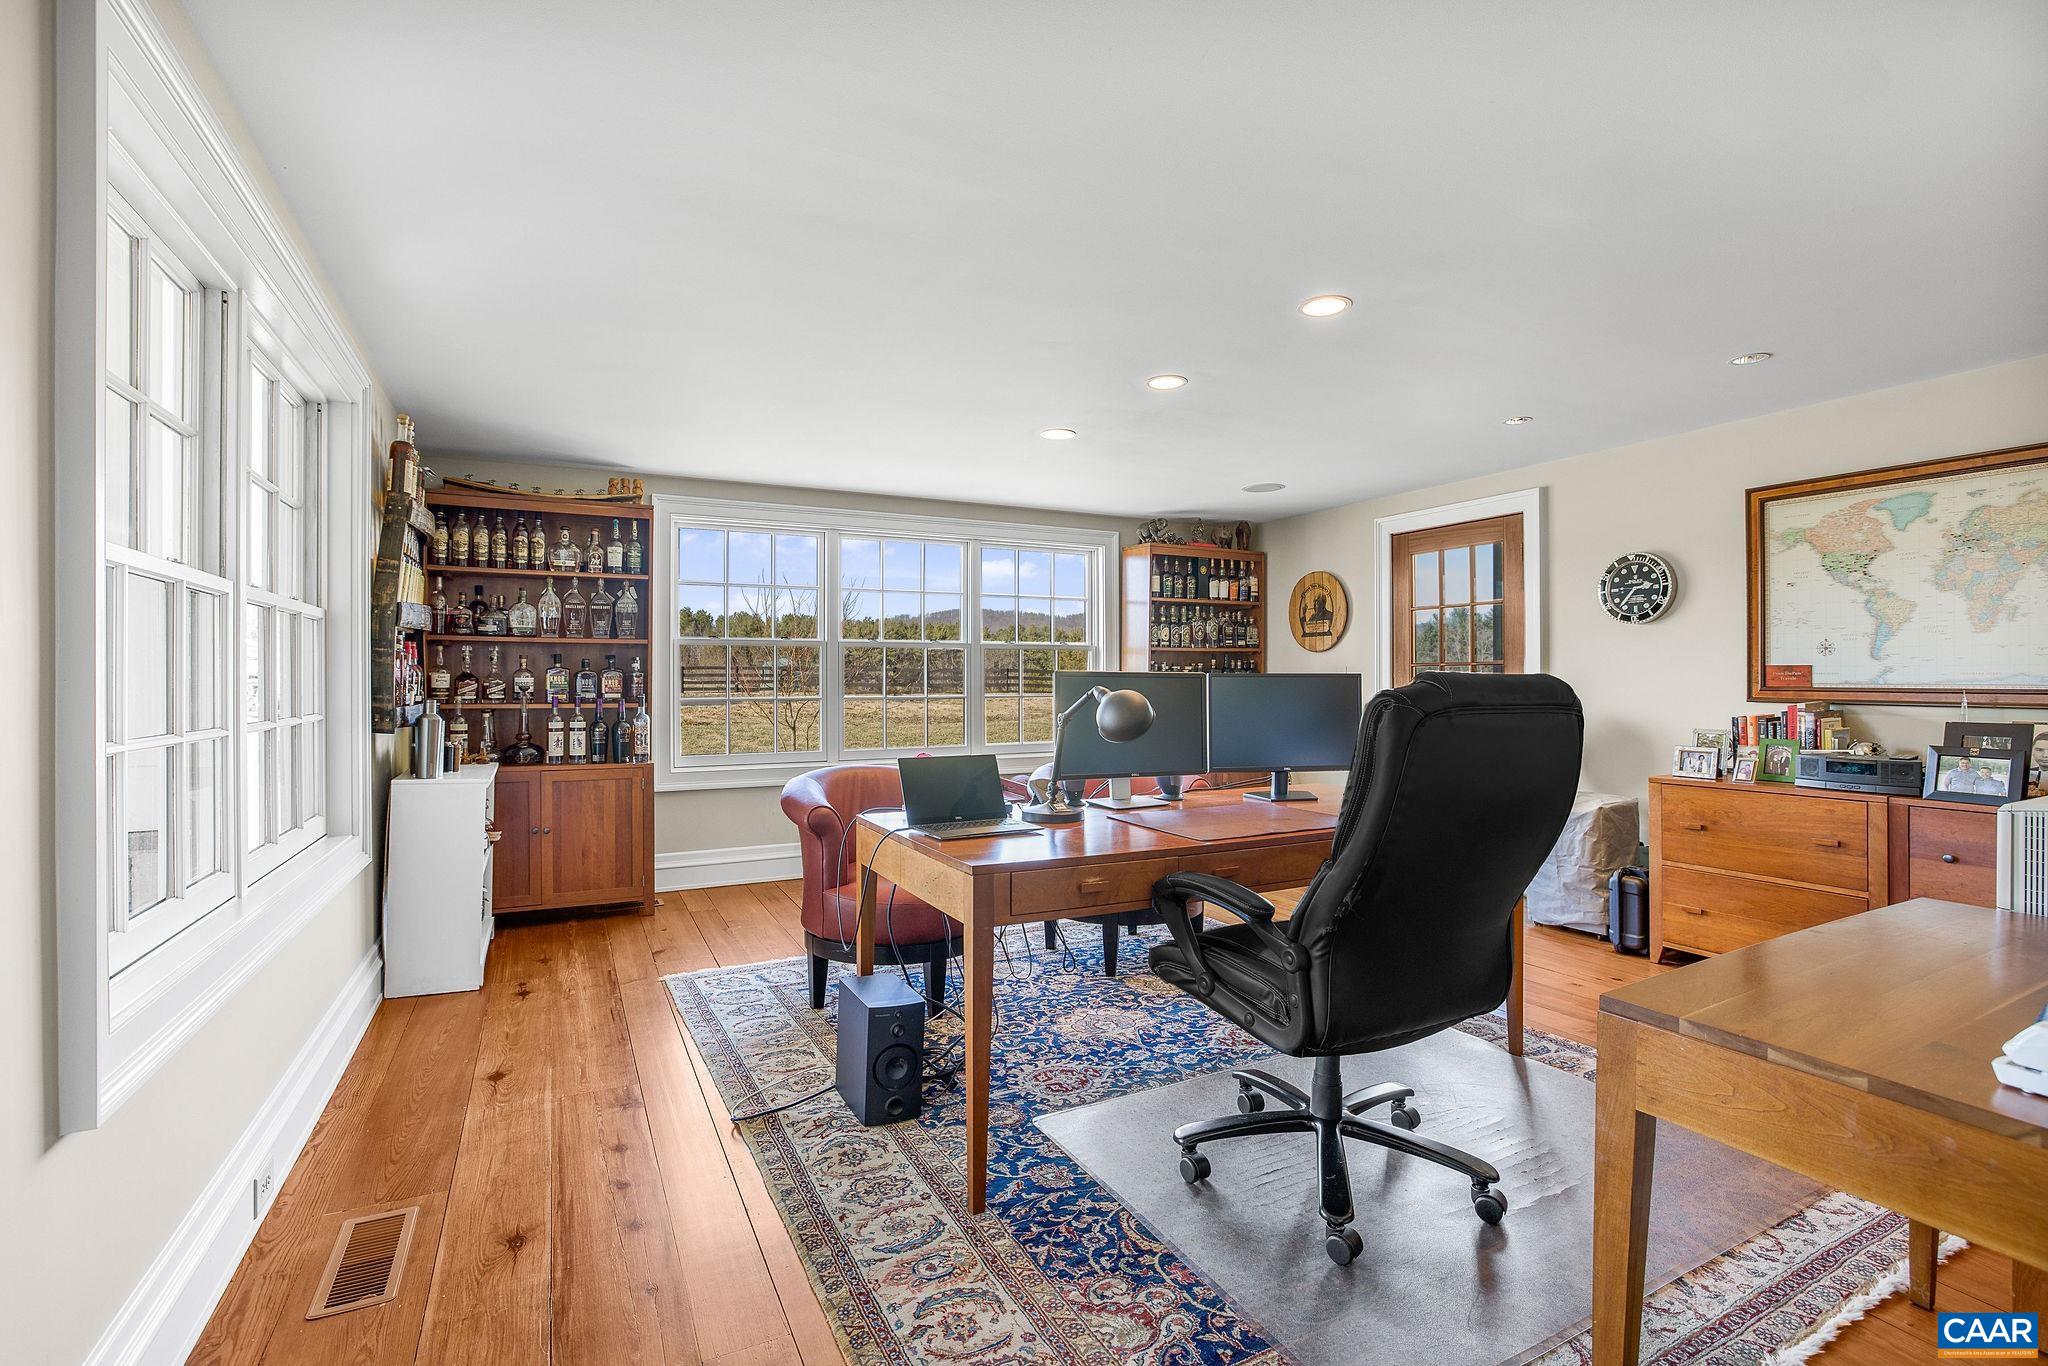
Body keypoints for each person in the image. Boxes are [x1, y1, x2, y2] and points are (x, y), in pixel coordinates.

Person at [1939, 757, 2005, 795]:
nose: (1965, 765)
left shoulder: (1974, 773)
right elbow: (1945, 784)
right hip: (1954, 795)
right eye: (1963, 763)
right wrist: (1947, 794)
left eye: (1967, 763)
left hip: (1969, 796)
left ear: (1970, 764)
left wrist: (1999, 784)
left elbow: (1983, 779)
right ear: (1959, 763)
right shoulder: (1952, 772)